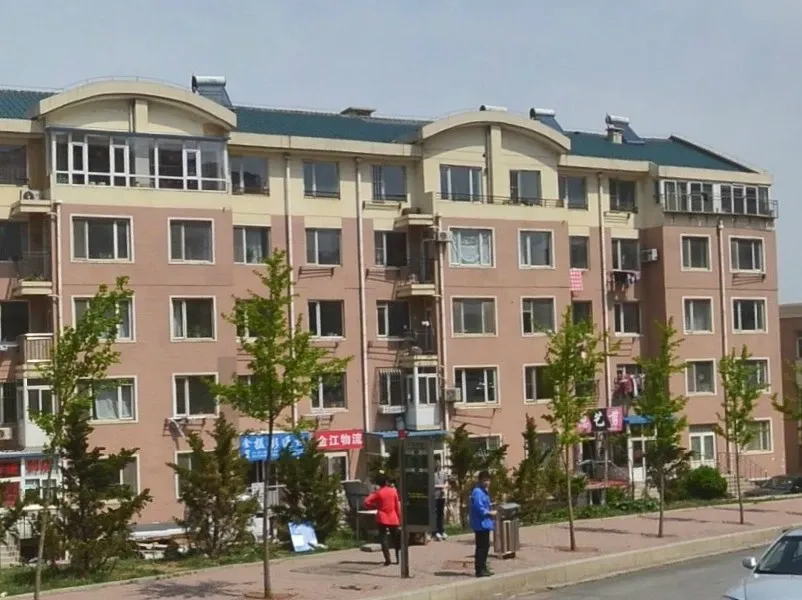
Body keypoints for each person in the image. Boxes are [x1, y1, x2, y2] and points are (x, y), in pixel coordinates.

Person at [364, 474, 401, 566]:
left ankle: (387, 559)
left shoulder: (378, 493)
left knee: (383, 539)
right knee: (396, 539)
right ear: (386, 482)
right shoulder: (393, 491)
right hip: (393, 517)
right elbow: (397, 505)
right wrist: (399, 517)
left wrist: (374, 506)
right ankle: (398, 558)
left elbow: (366, 501)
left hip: (382, 518)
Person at [469, 470, 496, 578]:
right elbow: (479, 507)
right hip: (480, 523)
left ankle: (483, 567)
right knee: (481, 547)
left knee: (486, 546)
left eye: (488, 480)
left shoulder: (484, 492)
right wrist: (490, 512)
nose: (486, 483)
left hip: (485, 523)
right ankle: (479, 570)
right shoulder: (477, 492)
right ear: (480, 480)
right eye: (484, 480)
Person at [433, 458, 448, 541]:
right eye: (436, 463)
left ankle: (442, 531)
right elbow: (432, 485)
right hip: (435, 496)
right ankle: (436, 532)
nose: (438, 465)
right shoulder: (433, 474)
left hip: (442, 496)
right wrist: (440, 486)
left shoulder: (443, 473)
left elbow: (446, 482)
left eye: (439, 463)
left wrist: (444, 486)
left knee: (441, 514)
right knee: (436, 514)